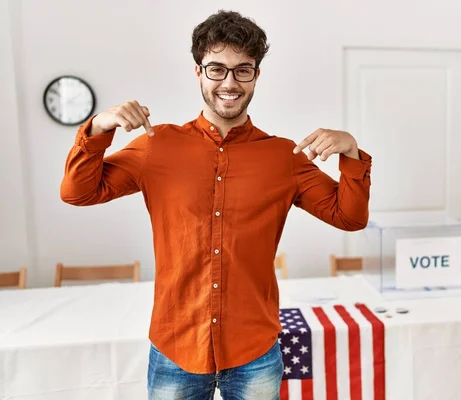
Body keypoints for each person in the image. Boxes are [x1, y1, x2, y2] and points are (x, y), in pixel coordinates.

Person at [60, 9, 371, 400]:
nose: (229, 82)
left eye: (243, 70)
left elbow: (350, 217)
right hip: (176, 346)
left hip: (255, 349)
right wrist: (98, 128)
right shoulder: (157, 146)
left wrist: (352, 154)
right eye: (216, 69)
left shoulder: (284, 157)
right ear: (198, 72)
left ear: (257, 75)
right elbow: (78, 192)